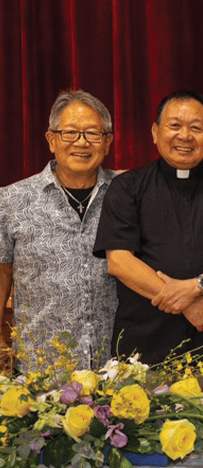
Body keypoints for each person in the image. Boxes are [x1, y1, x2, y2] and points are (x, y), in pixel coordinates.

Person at [94, 90, 203, 366]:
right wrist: (190, 302)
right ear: (155, 132)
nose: (185, 136)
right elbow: (119, 262)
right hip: (142, 352)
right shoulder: (127, 188)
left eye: (196, 128)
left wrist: (196, 287)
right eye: (175, 126)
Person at [0, 90, 119, 371]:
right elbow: (2, 273)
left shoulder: (128, 194)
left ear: (107, 142)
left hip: (116, 369)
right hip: (40, 370)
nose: (81, 142)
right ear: (51, 140)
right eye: (69, 133)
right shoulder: (11, 200)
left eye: (92, 133)